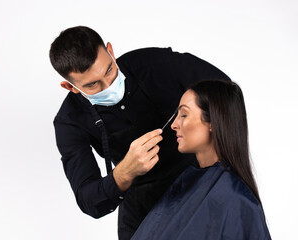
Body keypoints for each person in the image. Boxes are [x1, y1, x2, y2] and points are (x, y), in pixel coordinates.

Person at [49, 26, 230, 239]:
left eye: (109, 70)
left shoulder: (155, 63)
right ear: (70, 87)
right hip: (143, 207)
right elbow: (89, 202)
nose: (109, 86)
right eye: (93, 85)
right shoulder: (69, 122)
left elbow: (225, 93)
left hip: (202, 176)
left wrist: (208, 143)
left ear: (110, 50)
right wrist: (124, 172)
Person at [131, 80, 271, 239]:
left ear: (213, 121)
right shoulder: (189, 183)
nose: (174, 125)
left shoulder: (235, 199)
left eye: (183, 114)